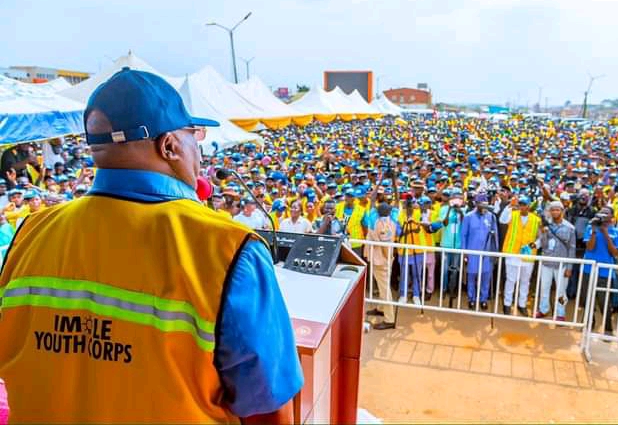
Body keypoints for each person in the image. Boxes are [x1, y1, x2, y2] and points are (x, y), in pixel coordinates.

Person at [0, 68, 302, 422]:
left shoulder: (30, 233)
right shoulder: (230, 249)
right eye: (195, 135)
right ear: (169, 146)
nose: (199, 152)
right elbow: (269, 408)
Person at [580, 206, 618, 333]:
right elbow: (590, 247)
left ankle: (608, 328)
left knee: (604, 301)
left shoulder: (617, 232)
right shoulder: (590, 228)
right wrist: (594, 230)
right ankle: (588, 324)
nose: (603, 214)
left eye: (606, 213)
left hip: (605, 271)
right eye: (601, 212)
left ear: (611, 217)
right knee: (588, 298)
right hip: (589, 269)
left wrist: (605, 233)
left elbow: (615, 253)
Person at [500, 195, 541, 316]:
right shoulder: (512, 214)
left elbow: (540, 237)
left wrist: (534, 246)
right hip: (512, 253)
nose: (522, 207)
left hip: (528, 256)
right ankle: (507, 304)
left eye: (525, 204)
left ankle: (522, 304)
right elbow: (502, 220)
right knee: (511, 280)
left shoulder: (536, 219)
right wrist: (510, 206)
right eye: (521, 204)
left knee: (525, 281)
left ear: (529, 206)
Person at [536, 201, 576, 320]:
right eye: (552, 210)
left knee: (561, 291)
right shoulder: (546, 225)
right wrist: (542, 233)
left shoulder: (570, 228)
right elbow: (543, 244)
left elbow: (572, 249)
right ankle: (543, 309)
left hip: (562, 265)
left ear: (562, 211)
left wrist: (569, 267)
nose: (554, 212)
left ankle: (560, 313)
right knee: (544, 288)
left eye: (557, 210)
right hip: (547, 262)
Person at [460, 193, 498, 310]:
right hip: (472, 252)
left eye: (485, 204)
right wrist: (464, 252)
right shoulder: (468, 216)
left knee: (486, 277)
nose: (483, 206)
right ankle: (471, 298)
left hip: (487, 253)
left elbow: (495, 235)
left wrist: (495, 252)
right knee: (471, 276)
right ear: (476, 204)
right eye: (481, 204)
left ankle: (483, 299)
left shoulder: (491, 217)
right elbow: (463, 235)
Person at [364, 202, 397, 330]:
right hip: (385, 258)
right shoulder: (392, 220)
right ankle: (381, 308)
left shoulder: (375, 223)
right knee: (383, 285)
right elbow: (397, 206)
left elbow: (371, 202)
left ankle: (389, 319)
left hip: (380, 260)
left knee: (384, 288)